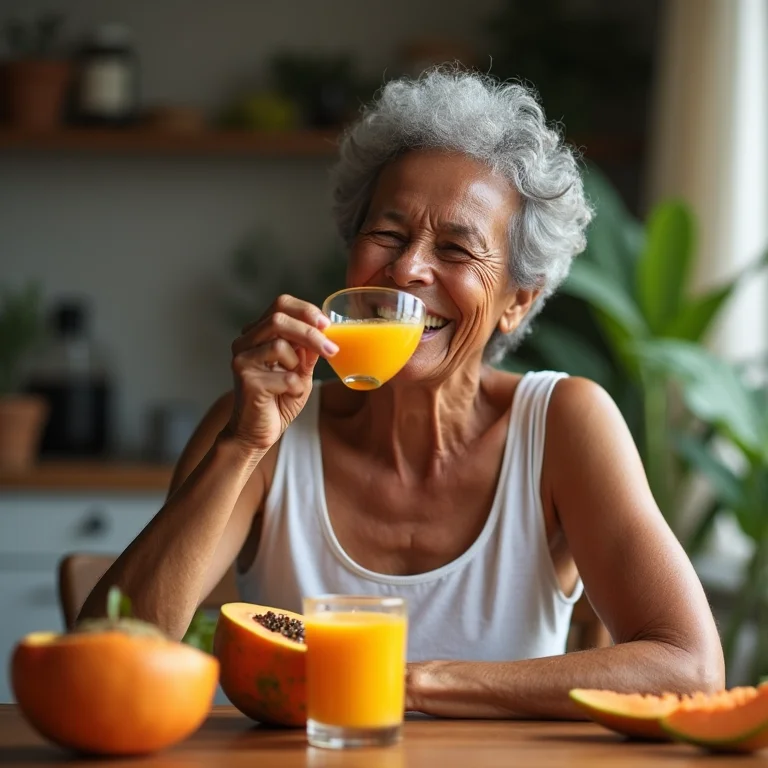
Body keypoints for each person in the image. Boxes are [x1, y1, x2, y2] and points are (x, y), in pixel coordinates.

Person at [80, 67, 725, 719]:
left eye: (456, 249)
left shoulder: (562, 424)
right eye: (387, 235)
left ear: (517, 303)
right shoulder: (261, 429)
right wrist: (241, 445)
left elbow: (690, 668)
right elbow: (106, 656)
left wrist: (403, 681)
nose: (409, 268)